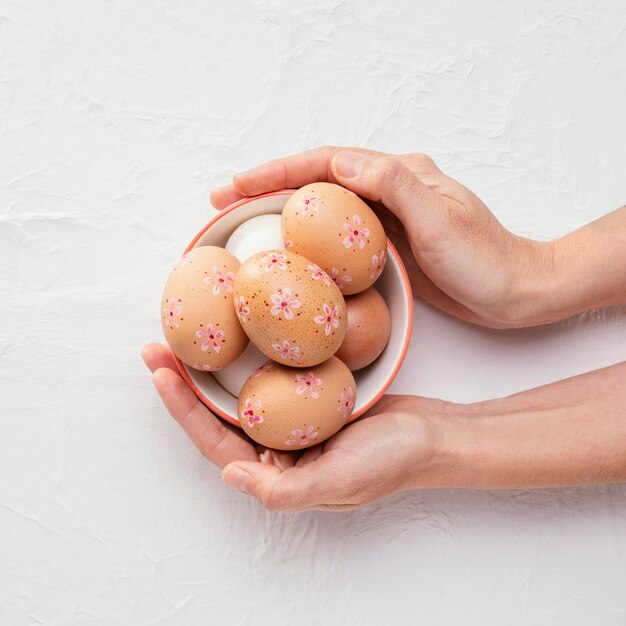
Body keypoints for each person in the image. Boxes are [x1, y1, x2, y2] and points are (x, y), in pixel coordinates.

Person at [142, 146, 626, 512]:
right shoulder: (268, 287)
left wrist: (439, 444)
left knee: (334, 323)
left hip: (299, 312)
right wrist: (532, 276)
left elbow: (294, 305)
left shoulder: (299, 300)